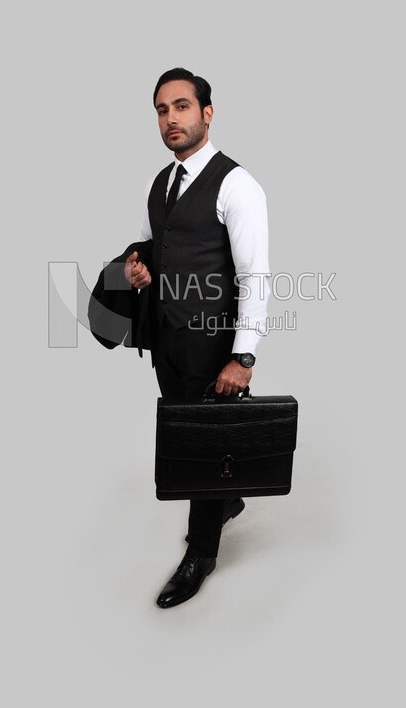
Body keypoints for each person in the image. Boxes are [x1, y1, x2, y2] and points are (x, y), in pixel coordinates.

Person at [124, 67, 271, 608]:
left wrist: (244, 357)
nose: (171, 119)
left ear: (207, 113)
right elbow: (145, 247)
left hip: (215, 345)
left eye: (182, 107)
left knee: (207, 447)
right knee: (190, 437)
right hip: (168, 341)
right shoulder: (157, 184)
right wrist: (136, 269)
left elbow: (256, 276)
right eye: (162, 110)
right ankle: (227, 498)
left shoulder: (237, 184)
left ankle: (201, 553)